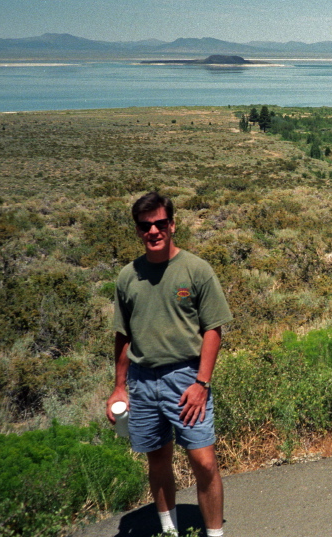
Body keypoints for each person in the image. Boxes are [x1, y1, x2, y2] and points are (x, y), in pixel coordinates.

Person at [106, 192, 233, 537]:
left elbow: (213, 329)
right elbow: (123, 336)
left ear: (172, 225)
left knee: (204, 461)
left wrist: (201, 384)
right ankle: (169, 531)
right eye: (146, 226)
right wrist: (120, 387)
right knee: (157, 459)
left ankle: (214, 534)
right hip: (143, 381)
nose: (154, 231)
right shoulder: (128, 277)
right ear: (138, 231)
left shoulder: (195, 270)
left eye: (161, 223)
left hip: (186, 379)